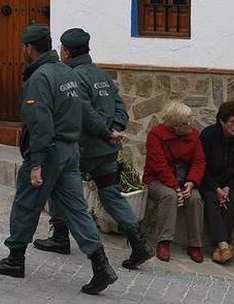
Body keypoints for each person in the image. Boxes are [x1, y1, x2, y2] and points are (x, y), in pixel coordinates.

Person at [0, 24, 117, 295]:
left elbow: (40, 123)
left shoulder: (39, 79)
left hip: (49, 153)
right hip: (70, 153)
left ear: (28, 48)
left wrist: (36, 163)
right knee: (77, 210)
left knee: (25, 204)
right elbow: (85, 110)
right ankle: (101, 265)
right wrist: (107, 133)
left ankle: (15, 259)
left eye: (24, 47)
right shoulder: (66, 73)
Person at [33, 28, 153, 270]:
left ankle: (59, 237)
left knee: (62, 187)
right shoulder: (101, 75)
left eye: (61, 48)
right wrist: (114, 131)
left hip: (83, 150)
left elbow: (85, 113)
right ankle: (139, 243)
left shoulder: (72, 76)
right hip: (107, 150)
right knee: (111, 195)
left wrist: (106, 133)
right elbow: (120, 107)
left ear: (66, 51)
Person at [143, 102, 206, 263]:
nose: (190, 126)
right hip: (158, 180)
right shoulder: (156, 135)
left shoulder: (193, 136)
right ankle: (164, 241)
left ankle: (195, 244)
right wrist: (176, 187)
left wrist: (191, 183)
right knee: (169, 196)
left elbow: (199, 162)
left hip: (184, 180)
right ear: (175, 126)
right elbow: (159, 165)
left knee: (195, 198)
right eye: (186, 124)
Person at [200, 102, 234, 264]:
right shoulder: (208, 135)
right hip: (209, 182)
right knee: (211, 199)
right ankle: (224, 244)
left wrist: (227, 187)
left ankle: (220, 247)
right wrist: (216, 188)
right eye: (233, 122)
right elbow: (201, 165)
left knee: (233, 199)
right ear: (222, 121)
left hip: (231, 184)